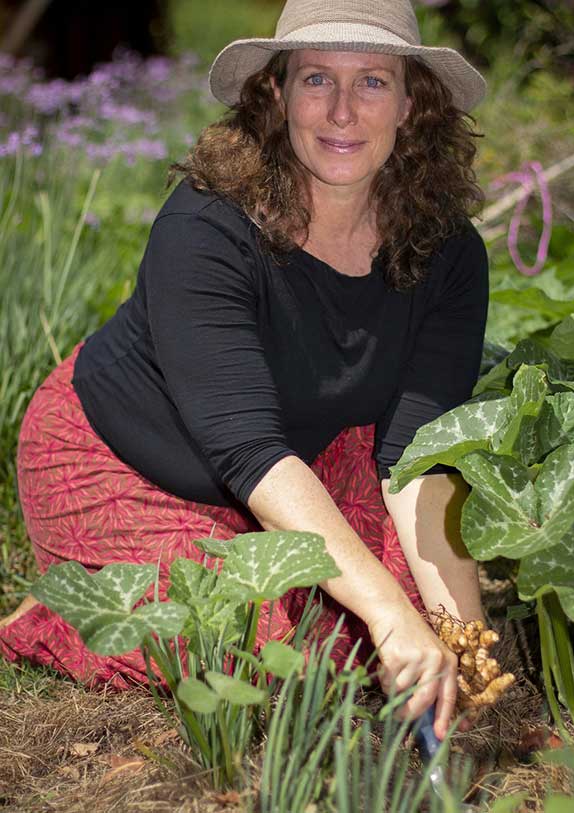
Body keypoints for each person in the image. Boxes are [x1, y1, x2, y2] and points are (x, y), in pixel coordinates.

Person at [0, 0, 490, 741]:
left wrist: (465, 641)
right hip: (129, 456)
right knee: (271, 647)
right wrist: (384, 610)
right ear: (277, 92)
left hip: (303, 452)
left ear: (412, 100)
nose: (343, 112)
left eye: (374, 82)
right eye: (317, 78)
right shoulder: (207, 228)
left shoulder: (448, 250)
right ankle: (67, 604)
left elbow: (418, 458)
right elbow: (247, 448)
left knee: (413, 626)